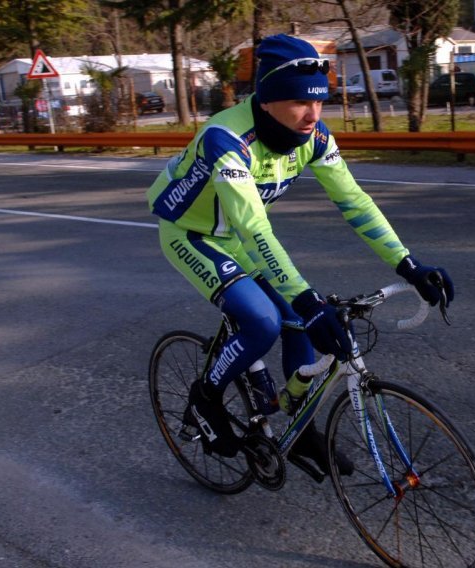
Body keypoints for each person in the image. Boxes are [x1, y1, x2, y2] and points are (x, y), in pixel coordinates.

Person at [146, 34, 454, 475]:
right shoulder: (225, 138)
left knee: (298, 319)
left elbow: (355, 202)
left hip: (236, 234)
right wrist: (308, 303)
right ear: (268, 99)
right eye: (299, 102)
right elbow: (255, 227)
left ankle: (300, 424)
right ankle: (207, 397)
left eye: (321, 101)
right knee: (265, 321)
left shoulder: (312, 136)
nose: (313, 114)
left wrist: (408, 264)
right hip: (192, 235)